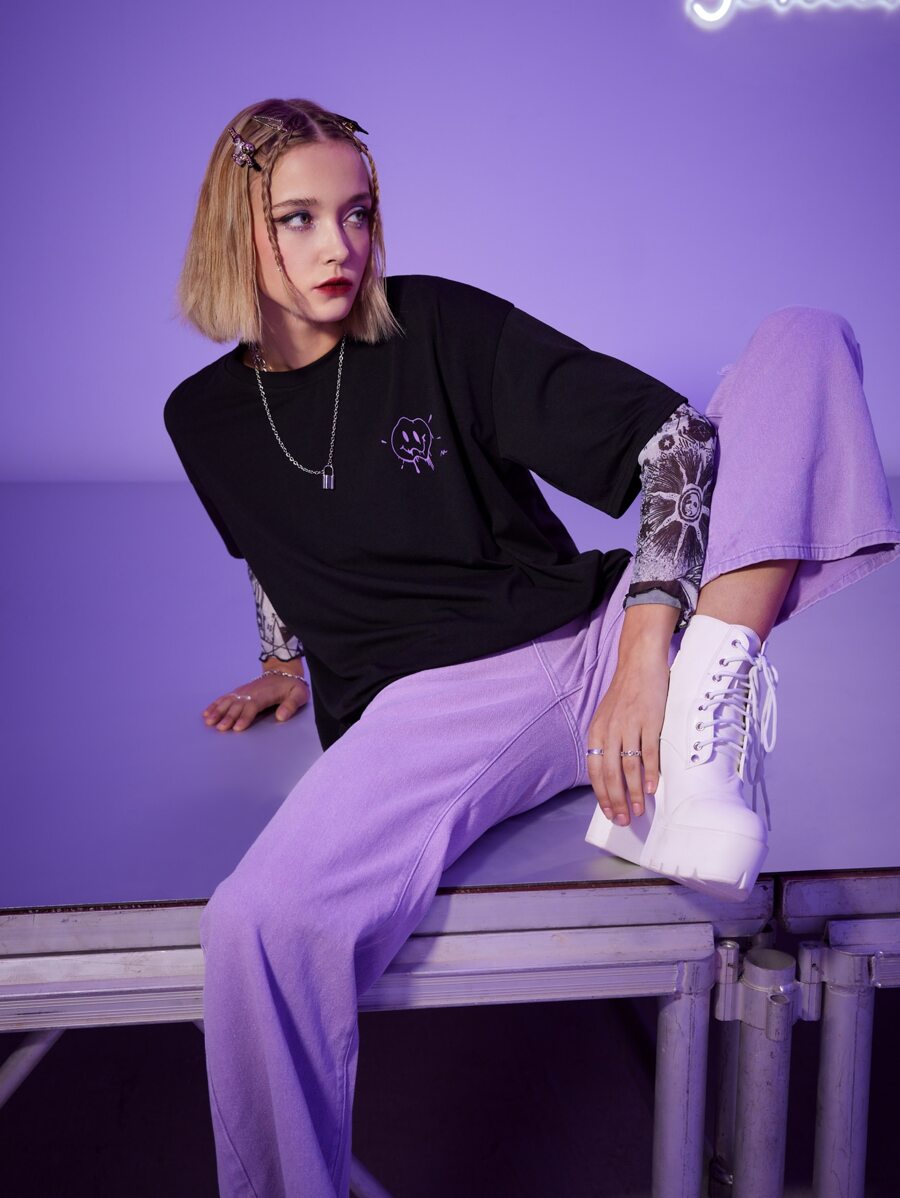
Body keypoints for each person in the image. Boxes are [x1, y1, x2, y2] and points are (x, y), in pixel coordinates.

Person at [164, 97, 899, 1198]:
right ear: (236, 230)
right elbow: (265, 537)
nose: (340, 246)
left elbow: (678, 440)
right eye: (300, 219)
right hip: (434, 707)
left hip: (611, 630)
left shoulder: (435, 324)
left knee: (806, 337)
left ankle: (696, 718)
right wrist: (283, 664)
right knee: (258, 925)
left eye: (358, 212)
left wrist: (646, 653)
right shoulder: (202, 418)